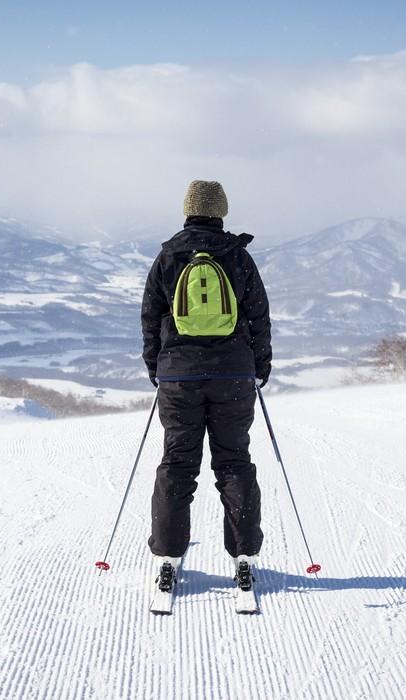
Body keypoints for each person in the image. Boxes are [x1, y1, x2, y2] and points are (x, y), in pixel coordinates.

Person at [140, 179, 272, 588]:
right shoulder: (238, 258)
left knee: (177, 464)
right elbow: (259, 317)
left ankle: (167, 553)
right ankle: (244, 552)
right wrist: (259, 365)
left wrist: (157, 367)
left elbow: (150, 318)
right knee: (233, 461)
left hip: (179, 376)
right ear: (222, 212)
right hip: (233, 374)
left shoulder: (168, 256)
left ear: (186, 210)